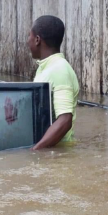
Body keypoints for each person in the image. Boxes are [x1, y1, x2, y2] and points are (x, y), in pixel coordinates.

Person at [27, 15, 79, 150]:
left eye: (29, 36)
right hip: (49, 150)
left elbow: (65, 120)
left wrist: (35, 150)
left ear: (37, 39)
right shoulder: (46, 68)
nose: (28, 41)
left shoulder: (59, 69)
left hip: (58, 154)